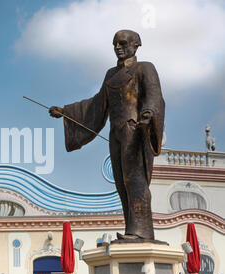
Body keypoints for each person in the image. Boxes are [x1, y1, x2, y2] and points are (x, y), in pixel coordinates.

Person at [49, 30, 165, 240]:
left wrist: (148, 115)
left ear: (136, 44)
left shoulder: (144, 68)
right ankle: (132, 228)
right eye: (114, 45)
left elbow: (154, 96)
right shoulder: (111, 74)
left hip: (135, 129)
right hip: (116, 133)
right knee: (121, 182)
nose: (118, 48)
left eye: (122, 43)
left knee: (135, 180)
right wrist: (66, 112)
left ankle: (142, 232)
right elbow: (97, 103)